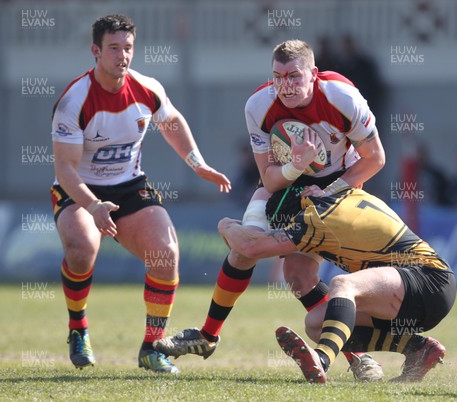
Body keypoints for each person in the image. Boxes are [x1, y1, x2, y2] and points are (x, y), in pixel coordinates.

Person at [154, 39, 387, 381]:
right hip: (286, 181)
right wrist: (296, 165)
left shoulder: (342, 98)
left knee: (296, 274)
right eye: (278, 76)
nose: (286, 85)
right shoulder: (259, 105)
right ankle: (207, 336)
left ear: (314, 75)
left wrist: (327, 190)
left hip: (339, 184)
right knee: (246, 253)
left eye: (294, 76)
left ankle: (362, 357)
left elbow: (375, 159)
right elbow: (269, 179)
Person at [50, 14, 231, 374]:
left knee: (166, 255)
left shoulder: (147, 88)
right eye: (114, 48)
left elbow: (172, 122)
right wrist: (94, 205)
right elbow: (66, 170)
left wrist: (198, 164)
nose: (122, 56)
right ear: (96, 51)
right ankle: (78, 327)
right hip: (80, 191)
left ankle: (151, 348)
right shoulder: (74, 101)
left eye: (128, 48)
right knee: (82, 248)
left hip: (130, 187)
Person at [215, 184, 455, 383]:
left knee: (343, 284)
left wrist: (225, 225)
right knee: (316, 323)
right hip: (414, 292)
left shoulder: (314, 218)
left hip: (427, 278)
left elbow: (249, 248)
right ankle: (418, 349)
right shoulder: (339, 197)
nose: (288, 238)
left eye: (287, 229)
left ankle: (322, 359)